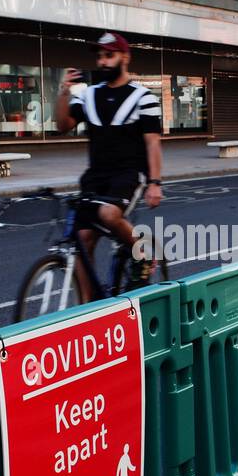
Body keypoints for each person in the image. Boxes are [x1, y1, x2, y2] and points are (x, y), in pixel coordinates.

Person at [54, 31, 164, 302]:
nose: (103, 61)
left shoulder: (143, 98)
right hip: (94, 177)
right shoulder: (88, 96)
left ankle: (144, 252)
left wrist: (155, 183)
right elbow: (62, 125)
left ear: (124, 57)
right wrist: (64, 91)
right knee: (83, 239)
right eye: (100, 56)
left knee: (108, 214)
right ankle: (86, 308)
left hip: (128, 175)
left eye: (109, 55)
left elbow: (152, 144)